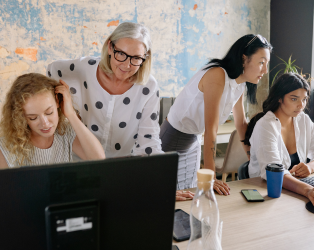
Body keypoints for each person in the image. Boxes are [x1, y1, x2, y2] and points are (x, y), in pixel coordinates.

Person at [160, 34, 273, 195]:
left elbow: (241, 124)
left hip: (193, 140)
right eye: (261, 62)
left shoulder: (239, 85)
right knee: (167, 197)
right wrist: (211, 176)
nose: (265, 70)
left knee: (190, 195)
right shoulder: (217, 74)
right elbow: (211, 129)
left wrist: (253, 163)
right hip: (172, 139)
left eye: (266, 64)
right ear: (244, 58)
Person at [47, 22, 162, 158]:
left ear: (145, 57)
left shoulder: (149, 87)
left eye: (136, 58)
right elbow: (52, 70)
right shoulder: (84, 69)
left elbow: (149, 141)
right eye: (121, 53)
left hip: (120, 167)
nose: (126, 65)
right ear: (110, 47)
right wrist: (63, 111)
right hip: (78, 161)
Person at [243, 73, 314, 208]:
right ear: (280, 98)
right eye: (294, 99)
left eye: (304, 99)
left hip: (294, 192)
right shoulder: (266, 125)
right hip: (266, 195)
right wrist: (308, 190)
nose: (301, 105)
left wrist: (310, 167)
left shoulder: (303, 120)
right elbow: (274, 172)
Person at [0, 73, 105, 168]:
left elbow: (99, 160)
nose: (45, 123)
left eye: (49, 112)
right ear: (21, 116)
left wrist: (71, 114)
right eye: (33, 118)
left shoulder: (65, 132)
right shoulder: (6, 146)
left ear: (58, 102)